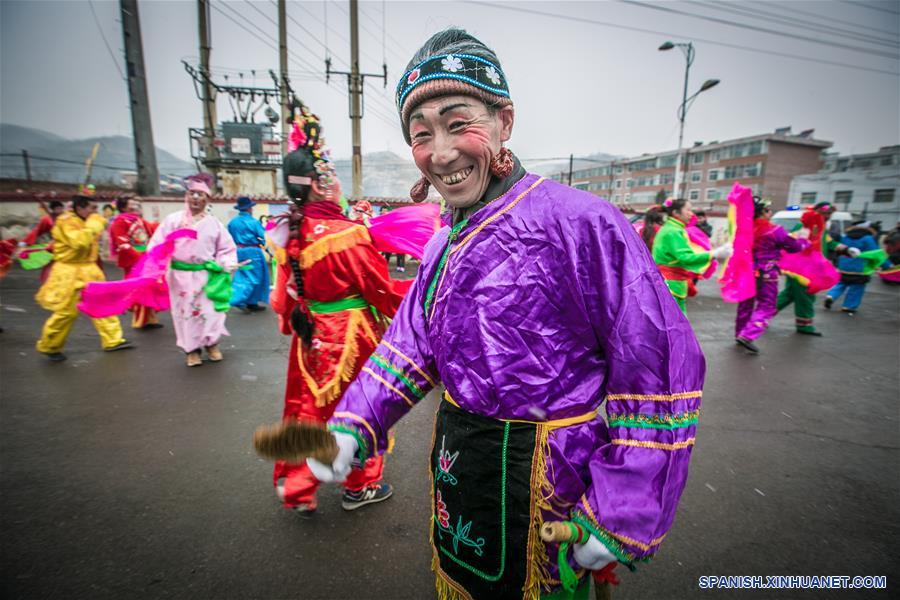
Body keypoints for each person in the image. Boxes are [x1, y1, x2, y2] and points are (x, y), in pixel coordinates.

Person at [307, 29, 706, 599]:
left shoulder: (584, 224)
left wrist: (621, 506)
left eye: (458, 124)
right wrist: (354, 423)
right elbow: (408, 347)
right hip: (461, 466)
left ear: (504, 122)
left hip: (553, 482)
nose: (441, 153)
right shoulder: (442, 242)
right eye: (421, 135)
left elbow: (659, 371)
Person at [267, 106, 408, 515]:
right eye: (330, 172)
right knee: (361, 409)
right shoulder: (350, 234)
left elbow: (281, 301)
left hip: (310, 335)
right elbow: (381, 291)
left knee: (309, 410)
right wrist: (415, 305)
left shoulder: (287, 233)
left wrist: (295, 320)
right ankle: (359, 487)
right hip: (352, 335)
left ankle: (298, 487)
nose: (337, 180)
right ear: (320, 183)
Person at [146, 174, 239, 367]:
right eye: (192, 193)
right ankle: (192, 349)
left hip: (206, 276)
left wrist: (225, 263)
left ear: (207, 199)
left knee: (211, 311)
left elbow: (226, 248)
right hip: (180, 277)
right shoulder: (173, 221)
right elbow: (157, 245)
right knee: (185, 313)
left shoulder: (214, 224)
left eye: (200, 194)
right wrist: (157, 266)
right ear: (186, 197)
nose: (196, 198)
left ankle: (212, 344)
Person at [34, 195, 132, 361]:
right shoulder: (66, 221)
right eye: (92, 208)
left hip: (89, 269)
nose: (95, 212)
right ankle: (49, 346)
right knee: (67, 312)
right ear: (80, 208)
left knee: (102, 304)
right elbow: (79, 242)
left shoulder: (87, 220)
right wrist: (94, 224)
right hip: (68, 271)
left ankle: (113, 340)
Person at [734, 197, 809, 354]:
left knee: (745, 304)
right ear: (763, 212)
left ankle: (740, 333)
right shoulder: (774, 230)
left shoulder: (743, 230)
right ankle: (747, 335)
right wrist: (804, 240)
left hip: (746, 271)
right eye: (768, 210)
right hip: (766, 272)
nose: (770, 213)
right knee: (767, 305)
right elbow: (794, 247)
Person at [776, 201, 851, 336]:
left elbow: (830, 242)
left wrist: (845, 249)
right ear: (816, 211)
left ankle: (761, 316)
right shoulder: (806, 225)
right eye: (825, 213)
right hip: (803, 268)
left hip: (807, 267)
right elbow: (794, 244)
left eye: (830, 214)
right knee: (806, 295)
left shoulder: (821, 227)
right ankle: (805, 326)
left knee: (790, 294)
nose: (828, 216)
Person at [652, 198, 731, 313]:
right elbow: (686, 258)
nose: (691, 214)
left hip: (669, 283)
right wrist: (715, 254)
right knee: (674, 321)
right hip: (671, 284)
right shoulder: (673, 231)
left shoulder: (672, 228)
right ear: (676, 213)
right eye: (688, 210)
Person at [108, 195, 162, 329]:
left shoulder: (138, 220)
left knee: (148, 288)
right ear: (123, 208)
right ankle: (140, 320)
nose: (136, 207)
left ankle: (150, 318)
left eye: (137, 204)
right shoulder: (120, 222)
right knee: (139, 289)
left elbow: (152, 229)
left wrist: (165, 225)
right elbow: (123, 244)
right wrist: (139, 258)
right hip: (133, 261)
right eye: (132, 204)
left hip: (145, 258)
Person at [824, 221, 882, 315]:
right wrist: (883, 265)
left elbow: (840, 249)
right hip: (860, 268)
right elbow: (876, 253)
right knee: (856, 287)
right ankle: (849, 306)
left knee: (841, 283)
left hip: (843, 266)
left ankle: (831, 296)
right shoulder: (868, 238)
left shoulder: (845, 236)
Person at [227, 196, 270, 313]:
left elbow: (229, 238)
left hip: (239, 251)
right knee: (254, 277)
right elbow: (263, 237)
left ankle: (252, 302)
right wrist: (268, 250)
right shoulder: (254, 222)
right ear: (249, 208)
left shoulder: (232, 223)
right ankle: (238, 300)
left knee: (243, 275)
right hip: (253, 251)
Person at [21, 199, 65, 283]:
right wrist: (25, 242)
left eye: (61, 208)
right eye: (58, 208)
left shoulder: (67, 217)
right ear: (53, 210)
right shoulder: (47, 219)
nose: (60, 210)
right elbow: (37, 230)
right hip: (56, 244)